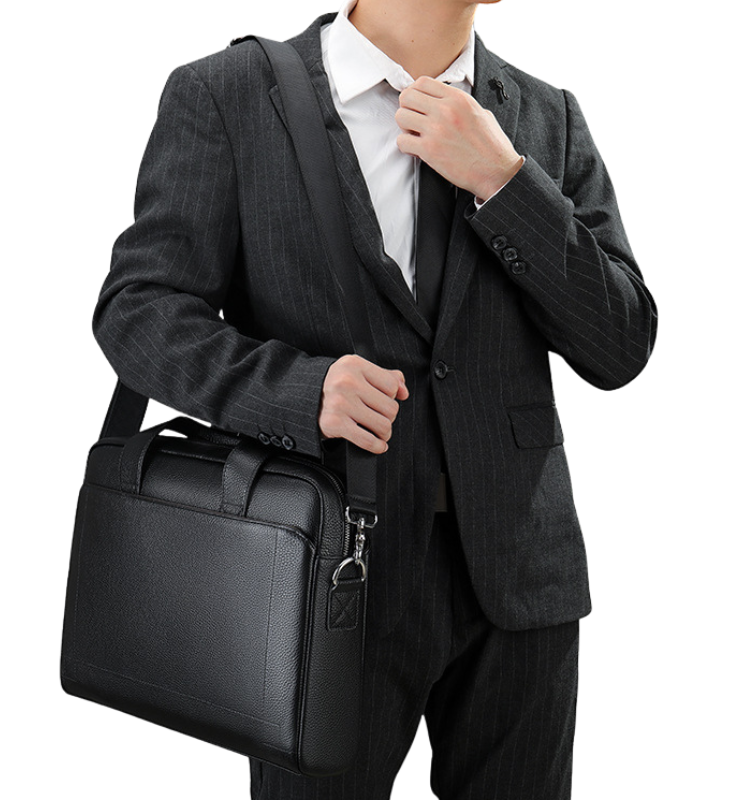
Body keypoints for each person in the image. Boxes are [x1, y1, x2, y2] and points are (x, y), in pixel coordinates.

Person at [91, 0, 658, 797]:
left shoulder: (544, 118)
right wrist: (299, 391)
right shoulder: (228, 95)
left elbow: (620, 345)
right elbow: (139, 310)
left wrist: (505, 183)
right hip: (319, 574)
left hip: (521, 582)